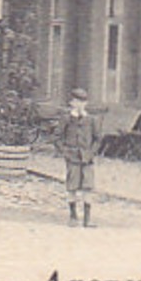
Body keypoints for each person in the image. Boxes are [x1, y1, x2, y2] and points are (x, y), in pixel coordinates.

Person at [56, 88, 97, 227]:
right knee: (72, 186)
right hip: (72, 157)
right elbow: (57, 137)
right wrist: (65, 152)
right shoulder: (67, 119)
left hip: (87, 158)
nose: (80, 105)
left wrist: (91, 152)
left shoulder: (91, 120)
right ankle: (73, 216)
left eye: (83, 102)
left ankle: (87, 219)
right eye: (77, 101)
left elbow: (97, 138)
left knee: (88, 186)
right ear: (71, 103)